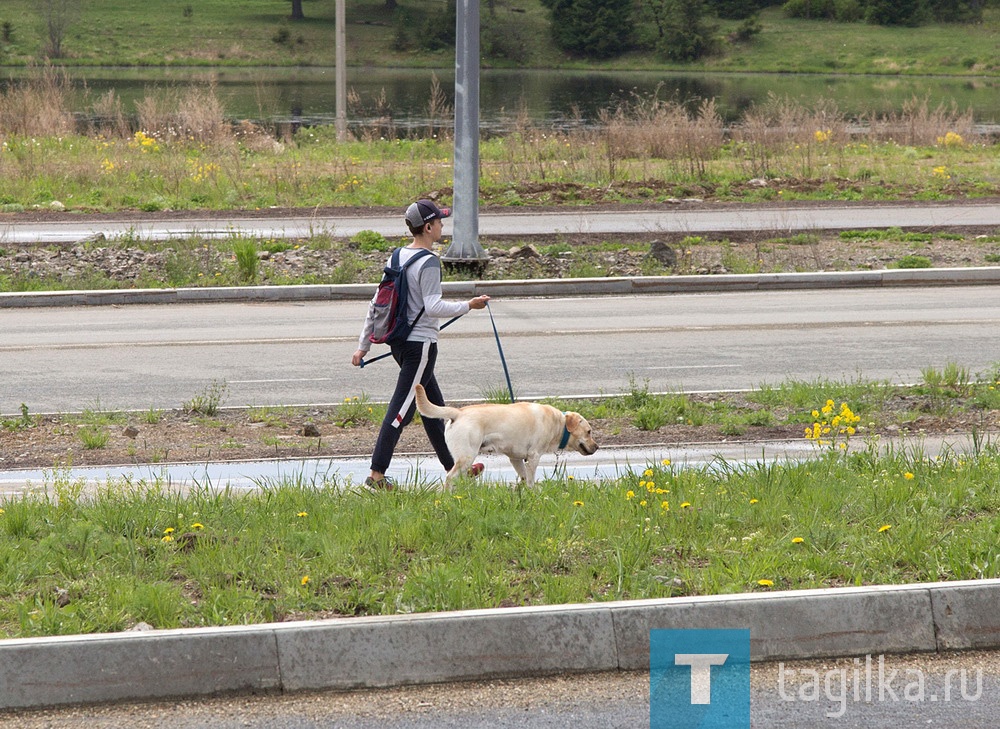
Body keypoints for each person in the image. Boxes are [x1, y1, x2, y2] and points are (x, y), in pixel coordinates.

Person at [351, 199, 491, 490]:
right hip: (421, 347)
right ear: (428, 227)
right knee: (401, 411)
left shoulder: (397, 256)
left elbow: (378, 303)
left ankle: (455, 468)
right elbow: (433, 306)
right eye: (439, 222)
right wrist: (469, 305)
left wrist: (364, 345)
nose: (442, 225)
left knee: (433, 408)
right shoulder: (429, 262)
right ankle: (376, 476)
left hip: (400, 344)